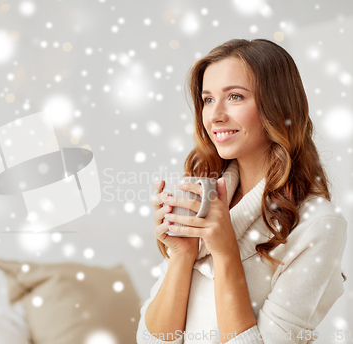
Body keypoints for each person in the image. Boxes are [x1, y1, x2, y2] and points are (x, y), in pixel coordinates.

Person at [136, 38, 348, 344]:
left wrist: (225, 253)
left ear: (277, 106)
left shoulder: (318, 225)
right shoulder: (204, 198)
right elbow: (150, 340)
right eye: (208, 99)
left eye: (235, 97)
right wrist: (182, 255)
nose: (215, 115)